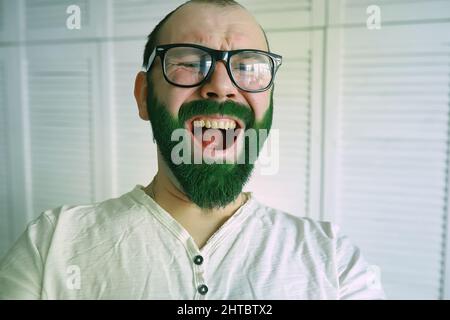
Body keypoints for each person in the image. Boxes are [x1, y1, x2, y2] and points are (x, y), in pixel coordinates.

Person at [0, 0, 385, 299]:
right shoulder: (50, 246)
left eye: (249, 67)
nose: (221, 85)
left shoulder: (333, 261)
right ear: (143, 97)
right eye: (188, 61)